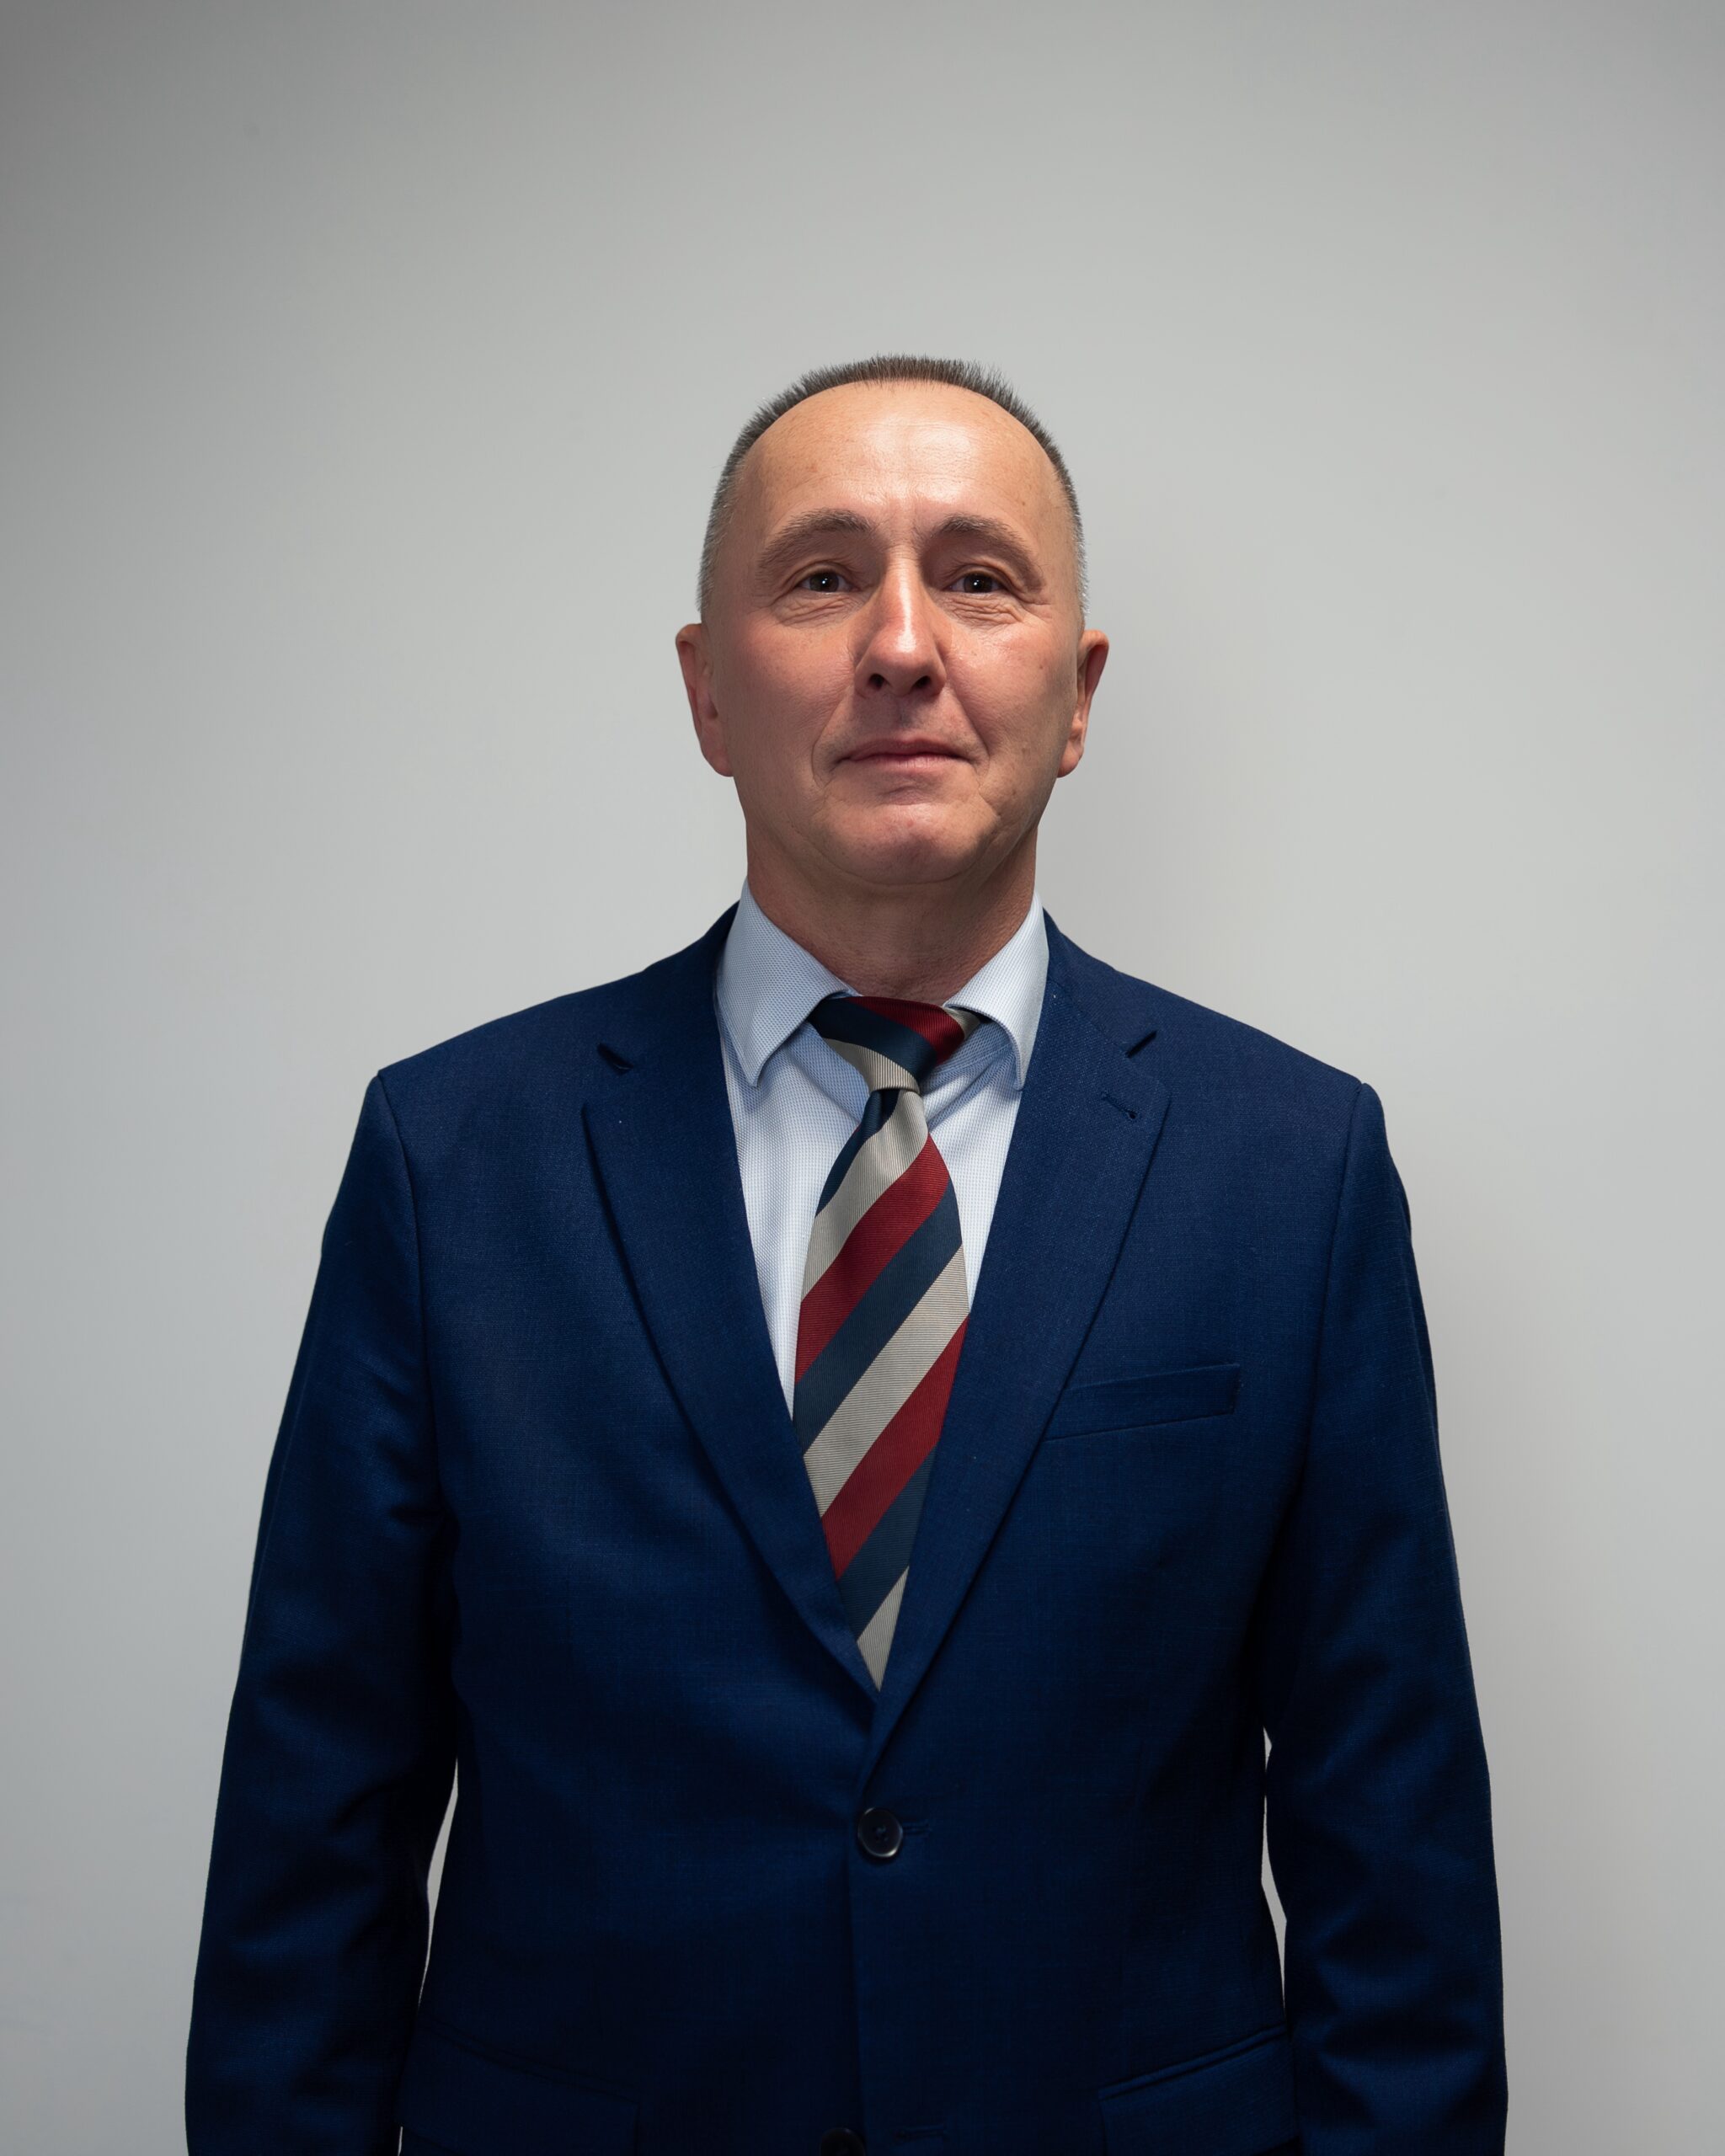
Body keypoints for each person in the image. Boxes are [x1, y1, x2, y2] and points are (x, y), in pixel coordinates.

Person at [185, 355, 1507, 2156]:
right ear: (707, 690)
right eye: (821, 577)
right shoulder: (454, 1158)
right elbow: (314, 1834)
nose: (901, 643)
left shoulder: (1293, 1165)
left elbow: (1391, 1855)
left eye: (979, 577)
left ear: (1077, 695)